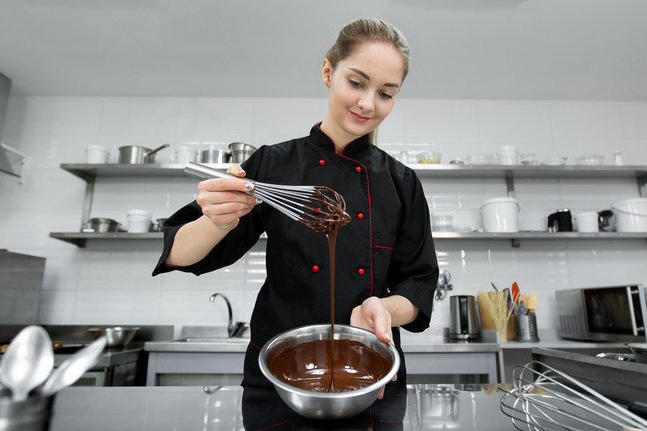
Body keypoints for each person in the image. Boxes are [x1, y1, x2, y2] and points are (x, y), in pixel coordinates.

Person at [152, 18, 439, 389]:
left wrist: (383, 308)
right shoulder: (273, 165)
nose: (368, 103)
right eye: (356, 82)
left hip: (369, 373)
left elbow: (418, 284)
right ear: (327, 71)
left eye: (386, 93)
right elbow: (178, 253)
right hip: (277, 375)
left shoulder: (401, 182)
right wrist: (218, 221)